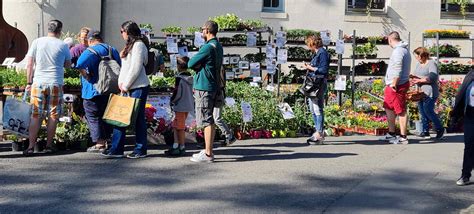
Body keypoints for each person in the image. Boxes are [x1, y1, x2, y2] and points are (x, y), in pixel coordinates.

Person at [101, 20, 150, 159]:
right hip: (127, 87)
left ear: (128, 32)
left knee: (138, 118)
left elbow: (136, 67)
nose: (121, 34)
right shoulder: (131, 45)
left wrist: (126, 84)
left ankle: (140, 149)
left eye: (122, 31)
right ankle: (116, 148)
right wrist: (122, 84)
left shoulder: (139, 45)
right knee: (119, 116)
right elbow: (127, 68)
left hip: (137, 87)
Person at [23, 20, 72, 156]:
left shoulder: (37, 42)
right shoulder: (63, 45)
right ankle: (49, 145)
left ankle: (31, 146)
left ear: (48, 29)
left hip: (38, 82)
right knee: (53, 115)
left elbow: (29, 63)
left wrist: (28, 82)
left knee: (35, 114)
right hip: (55, 82)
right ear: (60, 30)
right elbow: (68, 65)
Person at [75, 30, 121, 153]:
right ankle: (109, 140)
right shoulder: (112, 50)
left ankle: (100, 143)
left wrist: (86, 76)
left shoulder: (91, 51)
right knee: (107, 115)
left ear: (90, 40)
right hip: (110, 89)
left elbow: (79, 64)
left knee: (93, 115)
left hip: (93, 89)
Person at [188, 20, 224, 163]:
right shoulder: (218, 46)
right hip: (214, 85)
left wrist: (199, 64)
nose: (202, 32)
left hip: (204, 87)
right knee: (210, 119)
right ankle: (208, 150)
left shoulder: (207, 47)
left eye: (202, 29)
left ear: (207, 30)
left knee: (206, 120)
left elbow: (190, 63)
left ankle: (208, 153)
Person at [379, 31, 411, 144]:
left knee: (400, 110)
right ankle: (391, 133)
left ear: (390, 40)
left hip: (397, 85)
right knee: (389, 107)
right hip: (395, 84)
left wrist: (394, 83)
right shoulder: (404, 50)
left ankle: (403, 137)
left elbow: (397, 67)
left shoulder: (398, 51)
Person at [410, 47, 444, 140]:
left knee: (428, 110)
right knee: (422, 112)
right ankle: (425, 131)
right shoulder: (418, 64)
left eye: (417, 56)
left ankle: (440, 128)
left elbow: (433, 77)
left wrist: (419, 80)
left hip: (430, 92)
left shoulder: (431, 63)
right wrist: (413, 79)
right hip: (420, 92)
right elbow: (417, 75)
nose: (416, 58)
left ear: (422, 55)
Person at [302, 34, 329, 145]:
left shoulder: (322, 53)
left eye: (309, 44)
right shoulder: (318, 53)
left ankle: (319, 133)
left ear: (313, 43)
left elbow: (323, 70)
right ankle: (318, 132)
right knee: (313, 109)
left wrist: (309, 67)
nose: (308, 46)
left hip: (317, 85)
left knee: (318, 109)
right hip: (313, 85)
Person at [165, 56, 194, 156]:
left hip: (180, 105)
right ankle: (176, 144)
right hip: (188, 105)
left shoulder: (179, 79)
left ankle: (180, 147)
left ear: (178, 66)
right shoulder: (190, 78)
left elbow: (177, 93)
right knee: (176, 125)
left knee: (179, 127)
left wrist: (172, 100)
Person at [450, 69, 474, 186]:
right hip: (470, 114)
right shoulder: (471, 74)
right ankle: (465, 175)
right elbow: (461, 94)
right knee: (469, 145)